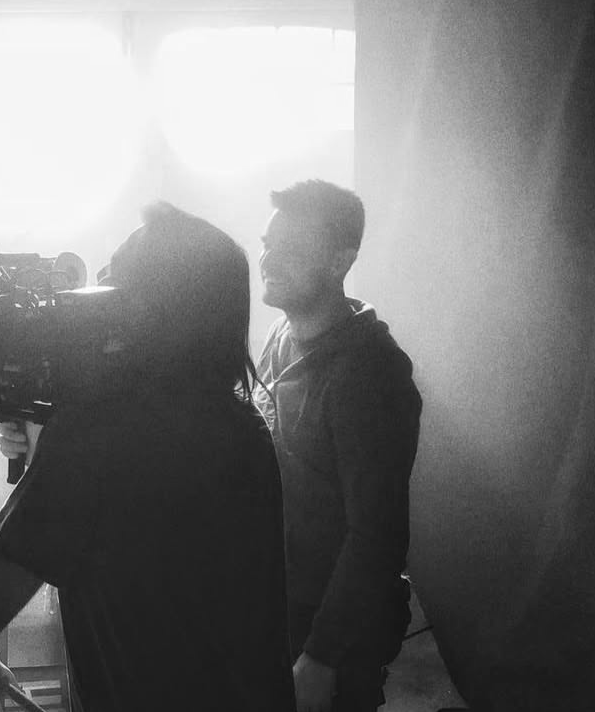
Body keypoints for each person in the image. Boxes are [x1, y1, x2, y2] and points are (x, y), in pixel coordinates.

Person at [0, 203, 296, 711]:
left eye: (109, 282)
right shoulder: (242, 426)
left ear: (144, 312)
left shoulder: (99, 435)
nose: (78, 302)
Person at [254, 179, 422, 712]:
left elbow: (377, 536)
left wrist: (322, 657)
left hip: (334, 635)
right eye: (267, 243)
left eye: (290, 249)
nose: (268, 259)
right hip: (279, 609)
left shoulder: (371, 376)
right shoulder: (280, 336)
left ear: (339, 260)